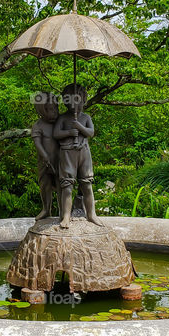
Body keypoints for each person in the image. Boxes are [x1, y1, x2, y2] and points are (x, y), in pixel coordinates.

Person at [53, 83, 102, 228]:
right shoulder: (63, 118)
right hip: (68, 153)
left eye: (79, 100)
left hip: (84, 152)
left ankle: (91, 214)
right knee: (67, 186)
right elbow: (56, 134)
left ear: (84, 100)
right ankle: (66, 216)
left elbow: (91, 133)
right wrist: (68, 133)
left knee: (87, 184)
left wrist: (79, 127)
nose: (76, 104)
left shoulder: (85, 117)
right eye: (72, 101)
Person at [31, 92, 59, 221]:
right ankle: (46, 209)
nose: (53, 113)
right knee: (45, 185)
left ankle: (64, 211)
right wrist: (44, 156)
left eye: (55, 109)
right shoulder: (38, 126)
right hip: (44, 161)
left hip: (60, 160)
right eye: (49, 110)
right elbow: (37, 143)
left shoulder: (60, 123)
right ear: (41, 110)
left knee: (62, 185)